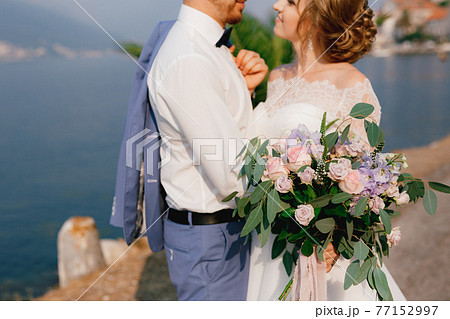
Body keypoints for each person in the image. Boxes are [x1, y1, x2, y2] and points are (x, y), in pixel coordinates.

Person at [243, 0, 407, 300]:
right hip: (271, 241)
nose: (277, 5)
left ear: (318, 17)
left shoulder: (352, 84)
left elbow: (365, 180)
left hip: (323, 246)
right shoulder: (277, 77)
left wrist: (334, 236)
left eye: (291, 2)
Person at [145, 0, 269, 300]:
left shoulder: (205, 46)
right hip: (212, 242)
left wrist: (246, 91)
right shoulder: (190, 57)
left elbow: (220, 135)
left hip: (219, 234)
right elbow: (231, 173)